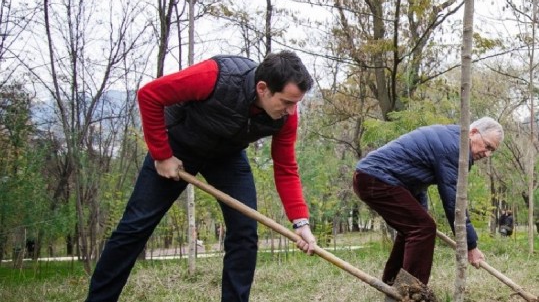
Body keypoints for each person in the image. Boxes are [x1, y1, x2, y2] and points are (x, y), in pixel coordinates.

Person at [85, 50, 317, 302]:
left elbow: (285, 167)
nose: (292, 111)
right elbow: (150, 95)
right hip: (177, 146)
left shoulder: (287, 118)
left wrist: (301, 223)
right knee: (135, 226)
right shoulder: (216, 76)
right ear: (263, 88)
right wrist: (162, 155)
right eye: (286, 102)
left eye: (296, 103)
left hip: (227, 156)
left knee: (245, 233)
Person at [352, 117, 504, 286]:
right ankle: (411, 292)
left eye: (492, 151)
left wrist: (421, 211)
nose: (487, 154)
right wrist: (471, 245)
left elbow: (416, 181)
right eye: (487, 146)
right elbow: (454, 202)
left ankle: (392, 284)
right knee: (422, 228)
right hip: (377, 178)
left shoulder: (451, 138)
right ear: (473, 132)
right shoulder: (456, 148)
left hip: (373, 177)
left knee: (414, 228)